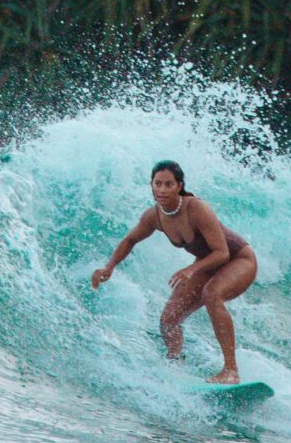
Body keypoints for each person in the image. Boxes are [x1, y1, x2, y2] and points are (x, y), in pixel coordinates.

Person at [91, 159, 258, 383]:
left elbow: (222, 253)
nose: (162, 190)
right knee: (169, 319)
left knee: (212, 293)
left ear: (179, 186)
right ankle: (175, 367)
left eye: (168, 184)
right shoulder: (154, 216)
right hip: (208, 263)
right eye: (157, 184)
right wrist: (109, 267)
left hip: (239, 259)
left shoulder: (197, 208)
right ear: (151, 185)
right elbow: (130, 240)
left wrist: (191, 269)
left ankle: (230, 371)